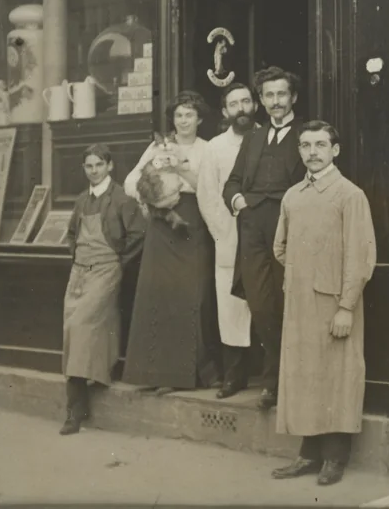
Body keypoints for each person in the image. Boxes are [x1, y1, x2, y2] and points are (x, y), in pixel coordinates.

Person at [269, 121, 376, 486]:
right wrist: (304, 273)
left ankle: (334, 458)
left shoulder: (349, 195)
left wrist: (345, 305)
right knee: (303, 375)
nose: (312, 152)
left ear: (335, 150)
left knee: (336, 378)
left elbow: (360, 256)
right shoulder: (293, 196)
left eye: (320, 145)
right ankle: (308, 455)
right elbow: (280, 247)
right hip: (299, 303)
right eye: (305, 145)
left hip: (333, 303)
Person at [122, 91, 221, 393]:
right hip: (162, 225)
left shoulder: (207, 149)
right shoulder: (157, 146)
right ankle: (155, 374)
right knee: (159, 297)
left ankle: (188, 376)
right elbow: (130, 182)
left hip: (192, 222)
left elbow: (208, 187)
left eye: (189, 115)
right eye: (179, 115)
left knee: (191, 297)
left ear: (200, 119)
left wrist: (180, 168)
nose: (183, 120)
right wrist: (151, 194)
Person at [223, 67, 306, 410]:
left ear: (293, 98)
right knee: (260, 305)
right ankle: (273, 377)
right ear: (261, 101)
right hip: (253, 229)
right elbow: (232, 182)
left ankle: (285, 382)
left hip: (289, 227)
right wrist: (237, 201)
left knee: (290, 304)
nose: (275, 101)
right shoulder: (253, 139)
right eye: (269, 96)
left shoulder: (306, 134)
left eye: (281, 94)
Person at [61, 143, 145, 436]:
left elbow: (138, 235)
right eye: (89, 166)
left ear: (110, 166)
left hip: (107, 269)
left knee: (80, 325)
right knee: (75, 330)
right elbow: (72, 232)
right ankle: (95, 380)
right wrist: (78, 256)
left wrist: (117, 263)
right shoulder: (82, 200)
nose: (94, 170)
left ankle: (74, 410)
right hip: (79, 271)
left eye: (99, 165)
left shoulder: (122, 199)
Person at [197, 82, 258, 399]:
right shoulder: (215, 147)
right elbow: (207, 195)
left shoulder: (267, 139)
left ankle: (271, 378)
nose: (241, 108)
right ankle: (234, 377)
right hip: (230, 235)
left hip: (266, 236)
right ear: (225, 111)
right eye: (234, 104)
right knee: (231, 306)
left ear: (255, 106)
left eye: (247, 101)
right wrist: (223, 231)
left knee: (267, 301)